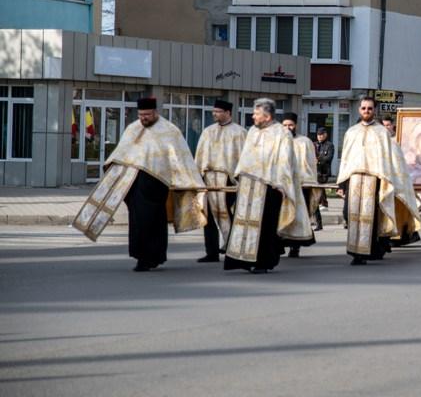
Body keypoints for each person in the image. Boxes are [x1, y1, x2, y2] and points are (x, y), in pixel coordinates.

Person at [73, 97, 204, 271]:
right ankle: (143, 256)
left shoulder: (169, 130)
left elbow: (180, 156)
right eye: (141, 115)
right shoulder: (133, 128)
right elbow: (122, 152)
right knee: (137, 221)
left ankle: (152, 257)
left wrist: (189, 180)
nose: (144, 118)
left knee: (153, 220)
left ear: (155, 112)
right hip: (133, 184)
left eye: (147, 115)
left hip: (156, 183)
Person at [224, 99, 312, 273]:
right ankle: (242, 259)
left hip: (270, 187)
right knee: (243, 223)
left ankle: (263, 262)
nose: (253, 116)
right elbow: (246, 157)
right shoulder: (252, 132)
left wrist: (280, 184)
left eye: (256, 114)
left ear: (267, 116)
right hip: (249, 185)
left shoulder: (282, 133)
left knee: (265, 227)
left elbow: (285, 161)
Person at [335, 96, 421, 265]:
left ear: (374, 110)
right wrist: (342, 184)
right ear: (359, 110)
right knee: (351, 215)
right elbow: (345, 158)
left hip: (375, 179)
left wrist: (386, 181)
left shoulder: (382, 132)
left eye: (370, 108)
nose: (366, 111)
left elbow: (387, 159)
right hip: (354, 179)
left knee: (372, 217)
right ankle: (354, 251)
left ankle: (366, 252)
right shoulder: (351, 132)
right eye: (363, 108)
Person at [194, 99, 247, 263]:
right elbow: (200, 154)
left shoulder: (240, 132)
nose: (214, 114)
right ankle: (211, 252)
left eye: (218, 111)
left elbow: (245, 157)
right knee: (207, 216)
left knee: (228, 214)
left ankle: (232, 249)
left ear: (228, 113)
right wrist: (197, 176)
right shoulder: (207, 131)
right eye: (214, 111)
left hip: (229, 180)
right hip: (208, 178)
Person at [282, 112, 321, 256]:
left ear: (295, 125)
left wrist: (311, 182)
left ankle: (295, 246)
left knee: (298, 217)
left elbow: (311, 164)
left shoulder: (305, 142)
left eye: (290, 125)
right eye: (285, 125)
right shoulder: (276, 141)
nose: (287, 128)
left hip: (301, 184)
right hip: (282, 186)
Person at [314, 127, 334, 213]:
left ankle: (324, 203)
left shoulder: (329, 145)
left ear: (325, 135)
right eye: (318, 135)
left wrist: (319, 159)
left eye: (321, 135)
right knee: (318, 186)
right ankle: (321, 203)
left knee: (320, 185)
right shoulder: (314, 144)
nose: (319, 137)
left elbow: (329, 157)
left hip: (324, 171)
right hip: (315, 170)